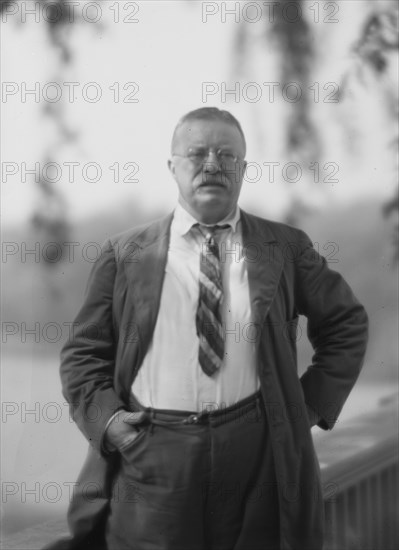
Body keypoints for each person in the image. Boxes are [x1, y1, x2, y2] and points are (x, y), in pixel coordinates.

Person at [45, 107, 368, 550]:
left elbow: (346, 322)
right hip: (154, 451)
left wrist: (304, 408)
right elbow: (84, 353)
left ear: (244, 168)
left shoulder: (285, 247)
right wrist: (110, 422)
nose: (212, 164)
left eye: (227, 155)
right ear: (172, 166)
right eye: (197, 154)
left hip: (258, 451)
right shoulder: (124, 254)